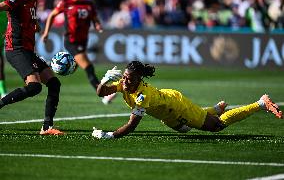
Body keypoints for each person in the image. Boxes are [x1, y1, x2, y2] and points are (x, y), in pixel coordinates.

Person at [92, 61, 283, 139]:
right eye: (124, 77)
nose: (125, 82)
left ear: (139, 79)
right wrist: (104, 80)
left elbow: (132, 126)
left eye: (130, 79)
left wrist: (109, 135)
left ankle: (260, 102)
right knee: (185, 129)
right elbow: (101, 93)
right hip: (167, 113)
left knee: (215, 127)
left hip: (176, 106)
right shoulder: (125, 83)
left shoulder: (143, 96)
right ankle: (214, 109)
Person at [0, 0, 63, 135]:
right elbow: (3, 5)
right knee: (34, 86)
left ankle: (47, 127)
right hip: (15, 49)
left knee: (54, 83)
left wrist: (35, 24)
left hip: (28, 51)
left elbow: (29, 17)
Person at [41, 0, 116, 104]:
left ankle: (45, 64)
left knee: (74, 66)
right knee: (88, 67)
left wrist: (97, 25)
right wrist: (46, 32)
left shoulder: (88, 4)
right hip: (71, 41)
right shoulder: (65, 3)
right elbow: (52, 15)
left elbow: (94, 18)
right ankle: (103, 95)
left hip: (83, 41)